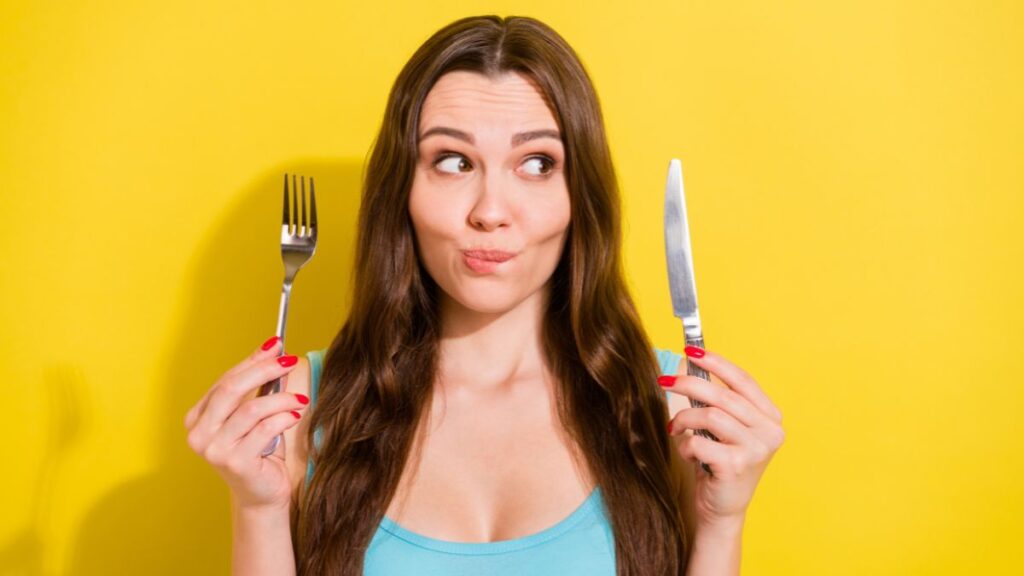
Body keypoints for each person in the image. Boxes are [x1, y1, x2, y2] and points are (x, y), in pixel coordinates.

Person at [185, 14, 784, 576]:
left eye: (537, 164)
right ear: (403, 191)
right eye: (452, 161)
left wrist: (720, 521)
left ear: (582, 195)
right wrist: (258, 510)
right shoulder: (291, 412)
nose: (491, 212)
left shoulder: (679, 414)